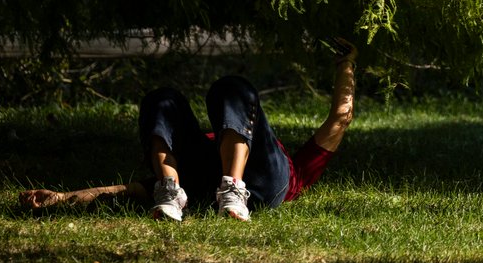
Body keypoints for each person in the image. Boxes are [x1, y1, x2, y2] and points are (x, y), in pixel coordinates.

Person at [19, 39, 357, 222]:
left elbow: (341, 120)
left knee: (232, 87)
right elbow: (128, 190)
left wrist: (346, 64)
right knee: (162, 100)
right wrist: (62, 199)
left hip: (264, 186)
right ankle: (170, 190)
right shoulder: (192, 160)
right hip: (193, 182)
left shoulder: (292, 169)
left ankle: (234, 188)